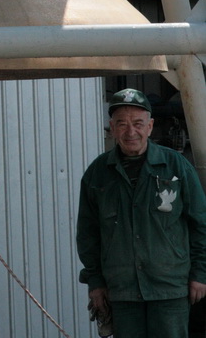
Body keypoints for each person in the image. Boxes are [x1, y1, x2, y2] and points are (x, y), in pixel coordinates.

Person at [76, 87, 206, 338]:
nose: (130, 131)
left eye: (138, 123)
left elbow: (200, 223)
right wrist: (95, 282)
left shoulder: (175, 166)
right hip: (122, 291)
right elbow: (88, 233)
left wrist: (200, 273)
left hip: (170, 288)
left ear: (150, 126)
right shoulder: (98, 173)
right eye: (122, 124)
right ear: (112, 128)